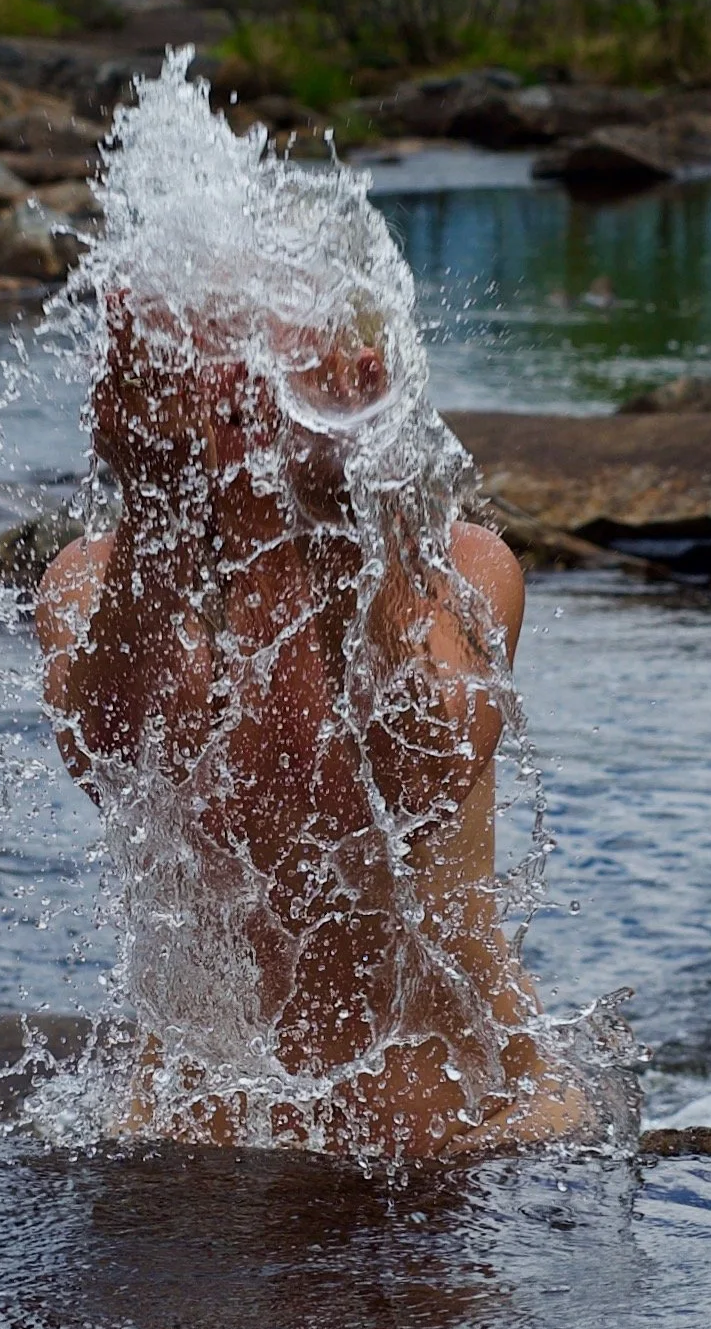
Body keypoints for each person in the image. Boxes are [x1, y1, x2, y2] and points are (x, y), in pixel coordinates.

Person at [34, 295, 592, 1157]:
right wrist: (153, 504)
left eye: (264, 380)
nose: (236, 410)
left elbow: (418, 777)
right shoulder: (90, 581)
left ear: (361, 388)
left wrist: (338, 522)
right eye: (207, 380)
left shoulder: (462, 568)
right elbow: (108, 743)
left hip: (465, 1133)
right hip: (198, 1137)